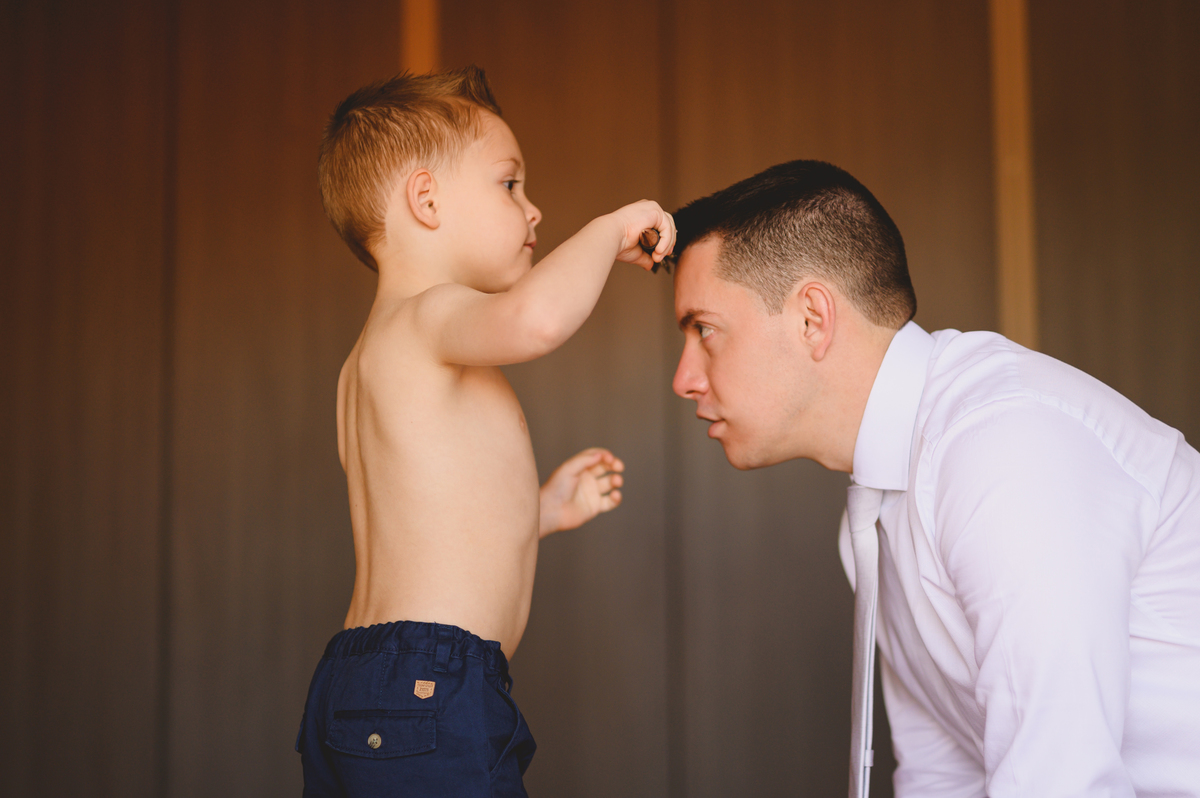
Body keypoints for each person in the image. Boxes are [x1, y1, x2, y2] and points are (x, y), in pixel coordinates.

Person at [668, 159, 1200, 797]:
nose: (683, 379)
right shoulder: (878, 504)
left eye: (705, 330)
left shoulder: (1003, 445)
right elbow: (943, 775)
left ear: (812, 317)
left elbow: (1060, 784)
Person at [295, 66, 675, 797]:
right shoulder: (428, 315)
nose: (534, 210)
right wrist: (608, 229)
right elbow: (538, 321)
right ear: (426, 200)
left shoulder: (365, 363)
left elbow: (425, 518)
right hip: (426, 685)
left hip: (359, 684)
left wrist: (540, 512)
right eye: (510, 184)